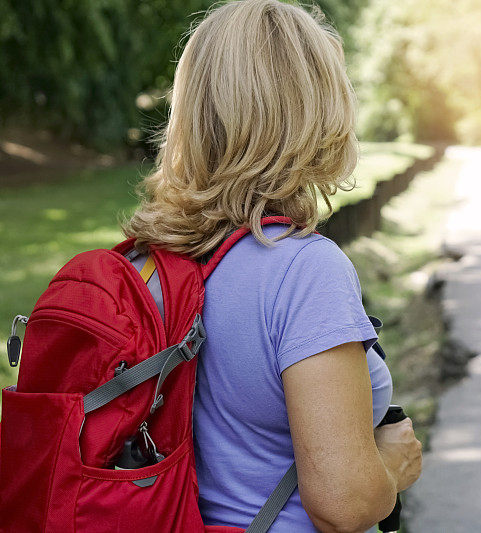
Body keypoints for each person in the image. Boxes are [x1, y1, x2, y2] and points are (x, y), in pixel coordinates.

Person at [122, 1, 423, 531]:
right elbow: (343, 505)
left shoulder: (144, 262)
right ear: (319, 112)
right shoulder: (304, 272)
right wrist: (391, 468)